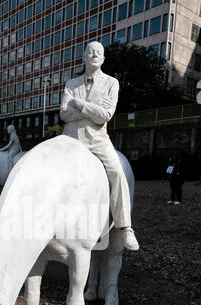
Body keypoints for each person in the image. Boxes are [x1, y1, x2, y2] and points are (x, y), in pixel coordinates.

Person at [60, 41, 139, 251]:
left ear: (103, 59)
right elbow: (63, 114)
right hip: (70, 138)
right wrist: (90, 111)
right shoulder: (71, 83)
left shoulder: (112, 83)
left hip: (97, 140)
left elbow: (105, 115)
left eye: (99, 53)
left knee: (117, 172)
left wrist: (78, 104)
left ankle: (124, 227)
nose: (94, 55)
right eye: (90, 52)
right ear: (84, 57)